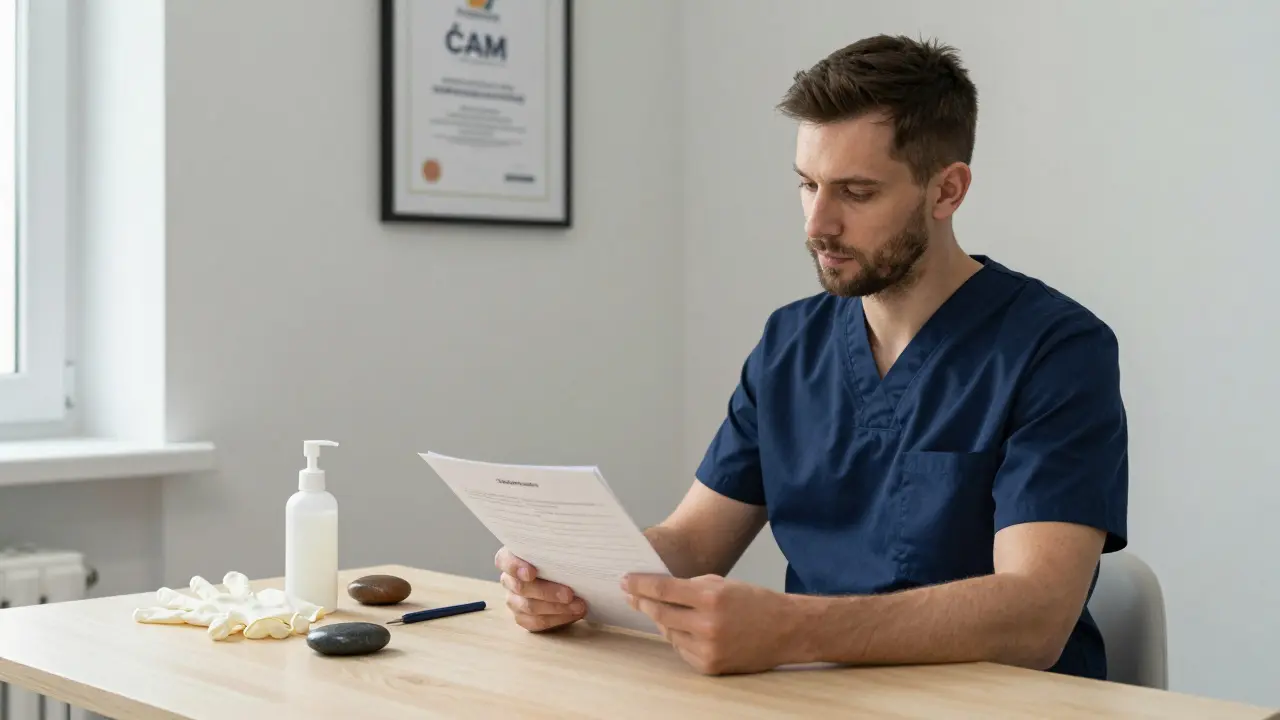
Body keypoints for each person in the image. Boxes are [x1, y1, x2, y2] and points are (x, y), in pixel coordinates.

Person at [495, 34, 1128, 680]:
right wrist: (572, 578)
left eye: (856, 192)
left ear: (947, 191)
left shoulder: (1056, 350)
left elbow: (1034, 617)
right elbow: (691, 543)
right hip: (818, 699)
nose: (818, 223)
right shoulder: (789, 345)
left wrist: (790, 630)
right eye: (808, 184)